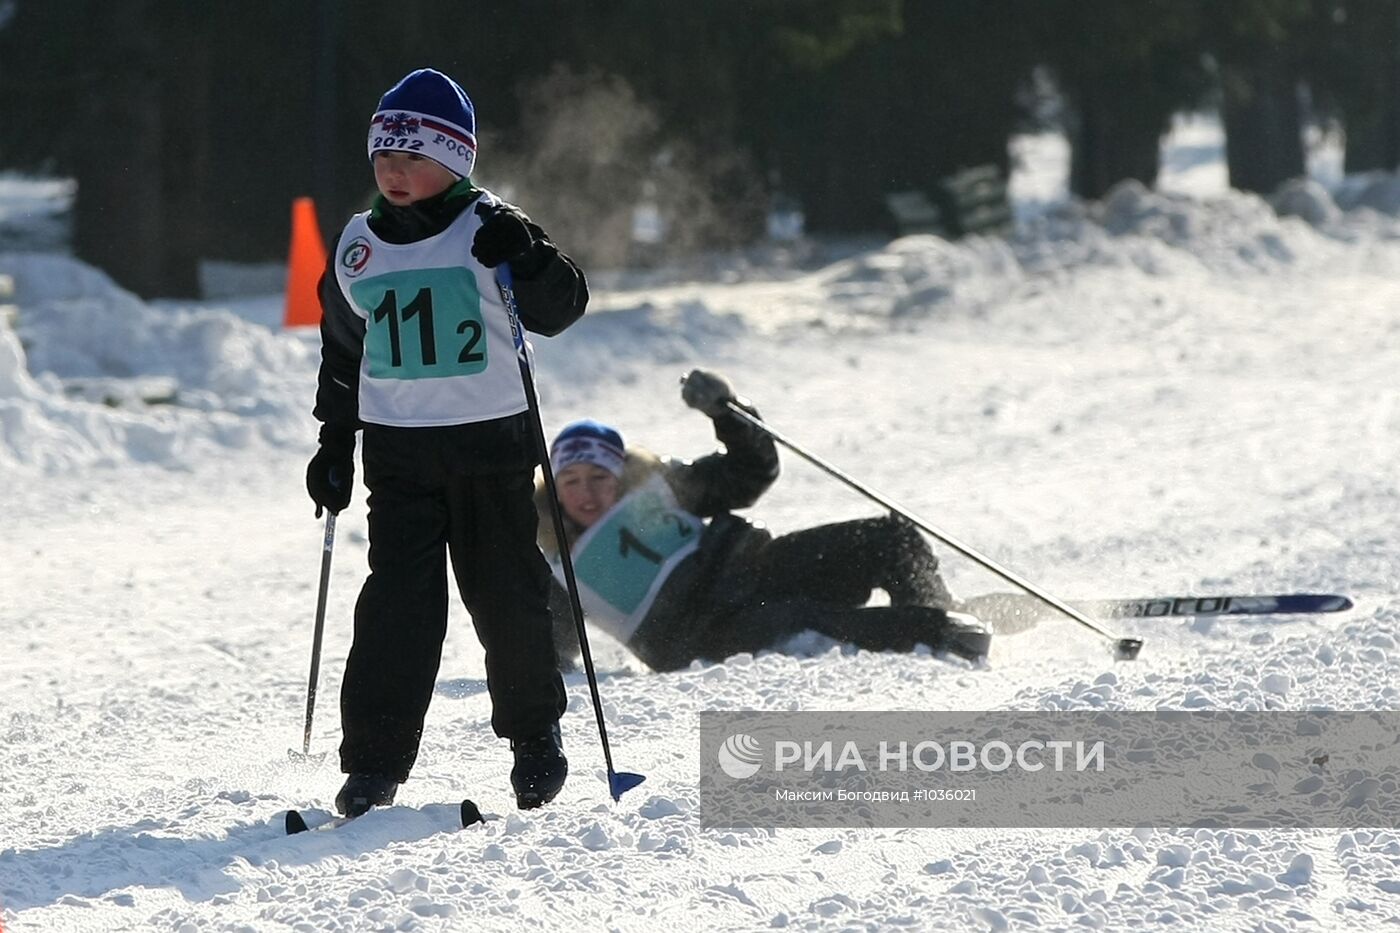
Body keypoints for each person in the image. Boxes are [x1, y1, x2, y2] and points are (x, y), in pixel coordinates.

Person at [306, 68, 587, 816]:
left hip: (490, 442)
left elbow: (563, 307)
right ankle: (373, 762)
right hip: (398, 451)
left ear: (456, 160)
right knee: (398, 604)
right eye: (384, 157)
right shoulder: (358, 244)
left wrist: (527, 256)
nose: (395, 172)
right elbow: (344, 350)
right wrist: (334, 443)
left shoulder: (489, 226)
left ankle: (535, 737)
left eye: (414, 158)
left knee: (506, 593)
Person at [537, 370, 991, 673]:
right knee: (805, 622)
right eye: (571, 480)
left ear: (620, 477)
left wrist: (729, 413)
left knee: (889, 538)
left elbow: (750, 474)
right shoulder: (559, 565)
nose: (586, 493)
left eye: (600, 477)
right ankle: (936, 634)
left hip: (755, 566)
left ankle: (941, 608)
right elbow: (548, 652)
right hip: (708, 632)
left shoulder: (659, 489)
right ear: (554, 487)